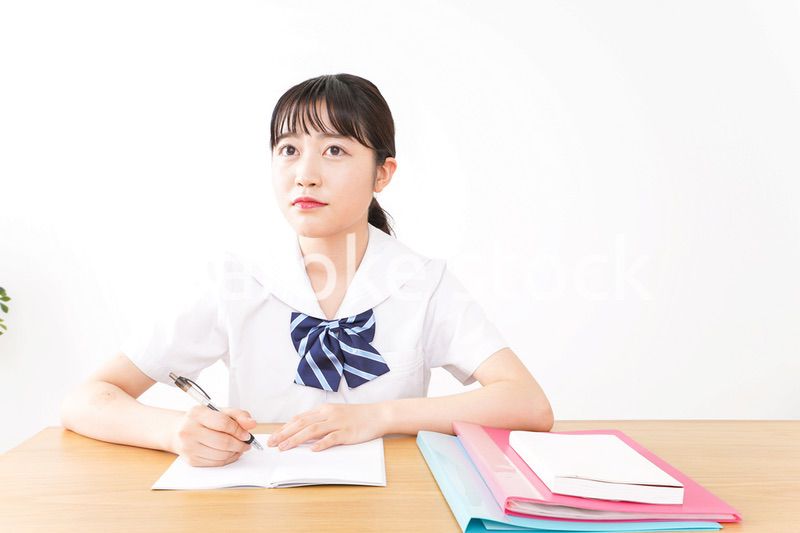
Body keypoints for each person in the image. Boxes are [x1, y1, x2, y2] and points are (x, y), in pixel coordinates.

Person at [60, 73, 554, 467]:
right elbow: (86, 399)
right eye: (289, 150)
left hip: (390, 507)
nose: (305, 174)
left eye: (335, 150)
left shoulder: (420, 280)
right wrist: (173, 432)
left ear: (382, 173)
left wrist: (379, 416)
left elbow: (528, 404)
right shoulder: (236, 279)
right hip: (262, 507)